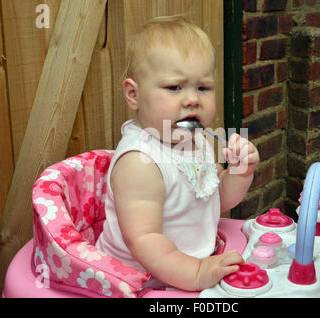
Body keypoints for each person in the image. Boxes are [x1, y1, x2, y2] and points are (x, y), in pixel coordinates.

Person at [95, 15, 260, 291]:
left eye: (203, 88)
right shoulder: (140, 162)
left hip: (191, 267)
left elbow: (217, 200)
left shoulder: (198, 141)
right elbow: (144, 239)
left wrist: (240, 173)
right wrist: (195, 272)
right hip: (142, 281)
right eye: (174, 87)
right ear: (134, 95)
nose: (193, 99)